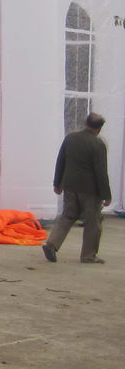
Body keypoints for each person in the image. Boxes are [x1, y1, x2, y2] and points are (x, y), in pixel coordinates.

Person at [43, 112, 112, 264]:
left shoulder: (70, 138)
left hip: (69, 185)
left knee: (68, 216)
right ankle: (88, 255)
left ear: (85, 123)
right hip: (90, 190)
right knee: (93, 221)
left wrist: (57, 183)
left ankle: (51, 244)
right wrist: (106, 195)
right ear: (99, 129)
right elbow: (101, 172)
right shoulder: (98, 144)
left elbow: (60, 161)